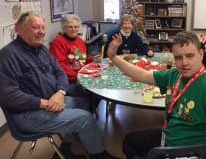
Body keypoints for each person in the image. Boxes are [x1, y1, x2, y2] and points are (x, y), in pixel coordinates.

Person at [0, 11, 118, 159]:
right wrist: (45, 103)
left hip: (51, 100)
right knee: (84, 118)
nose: (41, 32)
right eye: (35, 28)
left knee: (82, 102)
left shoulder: (41, 49)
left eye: (43, 28)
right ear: (19, 29)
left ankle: (66, 149)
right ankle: (99, 155)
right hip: (28, 114)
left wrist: (60, 93)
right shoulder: (7, 55)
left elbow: (60, 72)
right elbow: (8, 96)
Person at [107, 31, 206, 159]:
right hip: (169, 138)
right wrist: (113, 57)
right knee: (130, 142)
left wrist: (200, 134)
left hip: (190, 152)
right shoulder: (175, 75)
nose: (184, 63)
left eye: (190, 56)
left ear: (201, 54)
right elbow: (143, 75)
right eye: (178, 58)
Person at [50, 14, 102, 96]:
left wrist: (92, 59)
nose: (74, 29)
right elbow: (60, 67)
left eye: (76, 26)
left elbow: (80, 59)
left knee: (102, 82)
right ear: (64, 28)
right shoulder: (58, 42)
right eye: (70, 27)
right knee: (95, 91)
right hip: (69, 82)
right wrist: (79, 77)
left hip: (81, 76)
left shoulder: (79, 41)